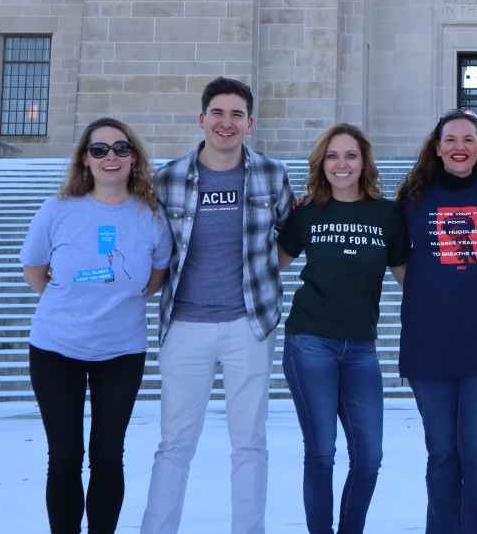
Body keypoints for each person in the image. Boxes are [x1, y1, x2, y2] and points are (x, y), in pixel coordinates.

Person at [141, 77, 294, 534]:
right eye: (218, 113)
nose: (226, 123)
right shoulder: (167, 178)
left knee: (249, 442)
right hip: (185, 326)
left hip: (248, 324)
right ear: (201, 118)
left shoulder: (271, 174)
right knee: (175, 443)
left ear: (250, 123)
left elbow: (287, 239)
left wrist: (262, 279)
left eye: (236, 115)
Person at [19, 117, 171, 534]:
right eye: (100, 149)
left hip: (121, 352)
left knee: (108, 454)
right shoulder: (58, 210)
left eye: (121, 149)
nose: (111, 157)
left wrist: (114, 300)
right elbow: (35, 269)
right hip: (55, 350)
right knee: (65, 455)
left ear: (134, 158)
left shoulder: (150, 216)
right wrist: (70, 305)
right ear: (85, 159)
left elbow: (156, 278)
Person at [276, 124, 409, 534]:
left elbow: (411, 282)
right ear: (322, 163)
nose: (342, 164)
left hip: (361, 349)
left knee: (369, 456)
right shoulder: (307, 213)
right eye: (333, 156)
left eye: (350, 155)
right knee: (320, 451)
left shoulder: (387, 215)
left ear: (364, 163)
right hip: (310, 341)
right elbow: (270, 263)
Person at [395, 109, 477, 534]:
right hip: (428, 349)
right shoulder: (412, 197)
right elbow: (390, 250)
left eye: (469, 139)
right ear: (436, 147)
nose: (459, 147)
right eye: (451, 139)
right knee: (442, 455)